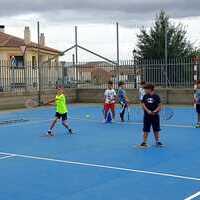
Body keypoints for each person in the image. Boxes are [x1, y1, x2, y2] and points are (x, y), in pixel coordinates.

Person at [139, 83, 163, 147]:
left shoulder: (156, 96)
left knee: (156, 129)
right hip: (147, 116)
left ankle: (157, 142)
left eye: (146, 89)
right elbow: (143, 105)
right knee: (146, 129)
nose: (145, 90)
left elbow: (160, 105)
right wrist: (148, 111)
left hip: (155, 116)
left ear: (150, 89)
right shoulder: (145, 96)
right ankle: (144, 142)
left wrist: (155, 111)